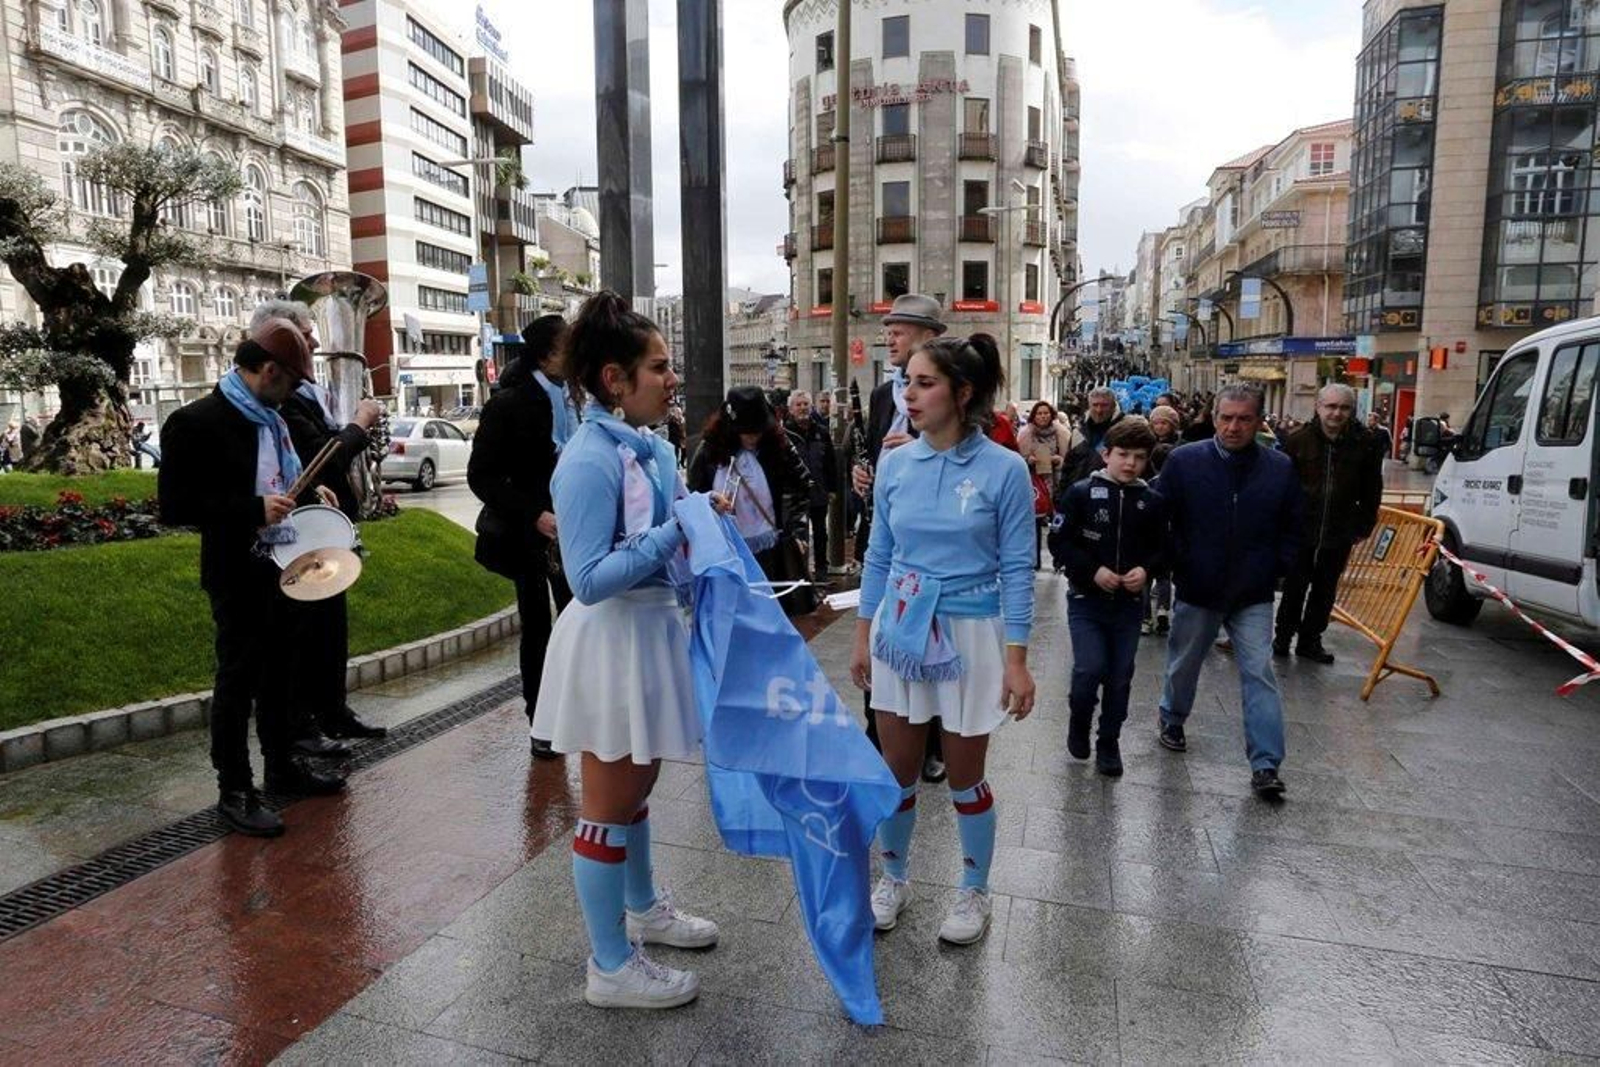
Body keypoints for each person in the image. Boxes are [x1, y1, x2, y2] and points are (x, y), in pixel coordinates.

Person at [531, 291, 721, 1010]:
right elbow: (587, 578)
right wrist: (677, 531)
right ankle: (610, 964)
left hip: (649, 632)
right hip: (612, 641)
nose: (673, 380)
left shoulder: (649, 447)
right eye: (660, 367)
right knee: (608, 805)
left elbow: (665, 544)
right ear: (615, 379)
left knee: (637, 789)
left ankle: (641, 908)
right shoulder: (588, 458)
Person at [850, 332, 1036, 945]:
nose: (909, 394)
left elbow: (1018, 569)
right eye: (907, 382)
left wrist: (1017, 661)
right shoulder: (895, 464)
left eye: (925, 383)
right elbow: (878, 555)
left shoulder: (1005, 469)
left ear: (963, 393)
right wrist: (863, 634)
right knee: (896, 770)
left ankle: (974, 888)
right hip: (901, 629)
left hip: (970, 636)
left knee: (963, 776)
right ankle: (892, 878)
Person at [157, 322, 346, 838]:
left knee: (282, 673)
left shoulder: (272, 420)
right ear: (267, 370)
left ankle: (282, 765)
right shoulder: (195, 422)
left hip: (285, 564)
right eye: (291, 382)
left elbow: (281, 481)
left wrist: (310, 495)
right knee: (238, 680)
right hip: (236, 571)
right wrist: (252, 509)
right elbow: (175, 505)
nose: (292, 394)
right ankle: (235, 788)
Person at [1153, 384, 1301, 801]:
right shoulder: (1184, 461)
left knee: (1259, 671)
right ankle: (1172, 716)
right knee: (1185, 662)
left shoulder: (1279, 468)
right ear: (1214, 418)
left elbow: (1294, 525)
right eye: (1226, 418)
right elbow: (1161, 517)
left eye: (1244, 419)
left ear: (1259, 421)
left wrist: (1278, 568)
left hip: (1252, 591)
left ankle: (1266, 763)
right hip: (1199, 585)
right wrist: (1179, 561)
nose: (1234, 427)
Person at [260, 307, 389, 751]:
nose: (315, 344)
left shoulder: (308, 392)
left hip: (325, 522)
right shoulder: (284, 398)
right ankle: (302, 727)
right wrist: (360, 423)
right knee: (303, 633)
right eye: (305, 335)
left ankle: (333, 710)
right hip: (294, 535)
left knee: (332, 627)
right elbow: (324, 454)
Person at [850, 293, 949, 782]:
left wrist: (921, 448)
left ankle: (932, 744)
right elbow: (874, 449)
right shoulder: (879, 395)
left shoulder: (951, 394)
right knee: (883, 641)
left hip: (929, 546)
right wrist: (863, 474)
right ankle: (878, 738)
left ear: (928, 337)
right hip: (884, 533)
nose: (889, 339)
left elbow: (968, 458)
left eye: (900, 331)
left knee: (930, 647)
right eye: (887, 331)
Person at [469, 314, 574, 757]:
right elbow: (481, 476)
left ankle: (576, 710)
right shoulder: (509, 403)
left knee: (577, 621)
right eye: (569, 346)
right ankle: (541, 720)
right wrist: (534, 514)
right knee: (538, 628)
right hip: (528, 535)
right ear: (548, 355)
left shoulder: (572, 396)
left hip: (572, 530)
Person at [1049, 417, 1166, 777]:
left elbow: (1165, 548)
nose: (1130, 463)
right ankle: (1079, 719)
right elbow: (1059, 541)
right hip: (1086, 600)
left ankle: (1109, 740)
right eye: (1123, 454)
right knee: (1089, 668)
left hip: (1129, 606)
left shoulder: (1151, 501)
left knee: (1120, 675)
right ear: (1106, 454)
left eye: (1139, 457)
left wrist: (1146, 570)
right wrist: (1091, 570)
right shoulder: (1081, 493)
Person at [1275, 384, 1383, 664]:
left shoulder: (1365, 443)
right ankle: (1283, 636)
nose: (1337, 413)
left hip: (1339, 529)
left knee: (1325, 589)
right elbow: (1282, 485)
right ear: (1318, 407)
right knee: (1294, 586)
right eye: (1331, 406)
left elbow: (1372, 488)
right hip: (1301, 528)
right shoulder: (1297, 440)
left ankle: (1310, 640)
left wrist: (1364, 524)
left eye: (1344, 408)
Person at [689, 386, 816, 615]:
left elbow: (801, 486)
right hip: (726, 551)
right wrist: (711, 504)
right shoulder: (710, 450)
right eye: (746, 432)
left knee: (771, 612)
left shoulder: (779, 447)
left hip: (770, 549)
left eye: (757, 431)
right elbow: (694, 496)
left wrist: (796, 531)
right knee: (733, 615)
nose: (752, 437)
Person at [784, 389, 838, 576]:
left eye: (805, 404)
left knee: (821, 532)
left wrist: (832, 489)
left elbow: (830, 463)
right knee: (799, 535)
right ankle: (801, 572)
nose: (802, 408)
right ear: (791, 409)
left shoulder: (821, 432)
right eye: (798, 404)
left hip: (819, 491)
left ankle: (821, 569)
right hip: (795, 495)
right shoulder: (785, 434)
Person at [1064, 387, 1124, 483]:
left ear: (1113, 406)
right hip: (1078, 489)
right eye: (1095, 405)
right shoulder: (1079, 432)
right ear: (1089, 406)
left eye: (1104, 405)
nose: (1099, 410)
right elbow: (1068, 466)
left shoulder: (1123, 431)